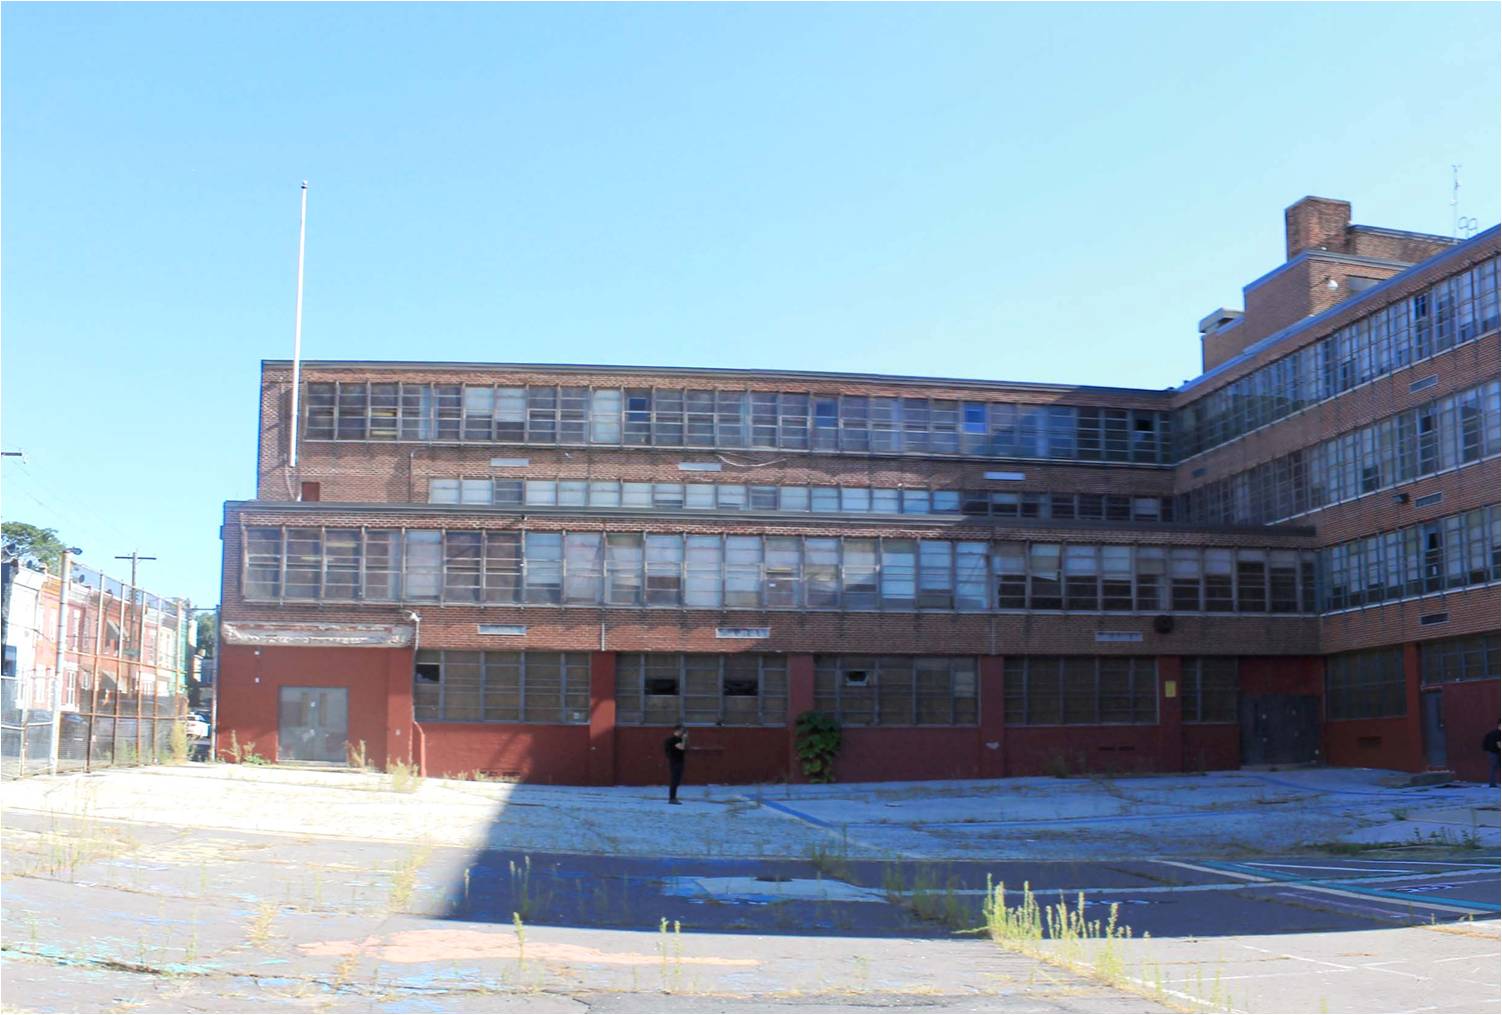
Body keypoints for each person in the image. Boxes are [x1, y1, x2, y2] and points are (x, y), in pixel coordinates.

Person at [664, 723, 688, 804]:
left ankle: (673, 798)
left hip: (678, 762)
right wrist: (684, 739)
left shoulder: (677, 739)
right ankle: (672, 798)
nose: (683, 732)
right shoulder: (673, 740)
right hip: (675, 762)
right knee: (674, 781)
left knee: (676, 781)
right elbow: (682, 748)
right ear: (677, 730)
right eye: (682, 730)